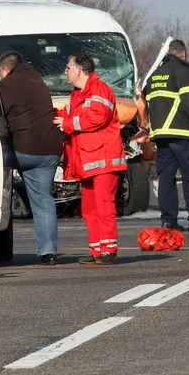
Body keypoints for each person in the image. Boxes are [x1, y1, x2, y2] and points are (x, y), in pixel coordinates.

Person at [56, 54, 127, 265]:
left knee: (104, 206)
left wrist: (67, 123)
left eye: (68, 68)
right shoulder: (77, 94)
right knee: (89, 209)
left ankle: (108, 250)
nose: (66, 72)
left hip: (103, 160)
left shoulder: (99, 90)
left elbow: (96, 117)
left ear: (79, 70)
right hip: (88, 161)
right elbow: (69, 115)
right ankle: (97, 250)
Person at [0, 51, 63, 265]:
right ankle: (48, 252)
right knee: (44, 200)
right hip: (50, 150)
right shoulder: (39, 82)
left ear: (5, 70)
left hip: (23, 150)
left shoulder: (7, 86)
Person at [144, 39, 189, 233]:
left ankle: (168, 220)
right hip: (184, 134)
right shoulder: (185, 73)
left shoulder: (154, 75)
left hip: (161, 136)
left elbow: (147, 103)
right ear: (183, 54)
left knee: (166, 179)